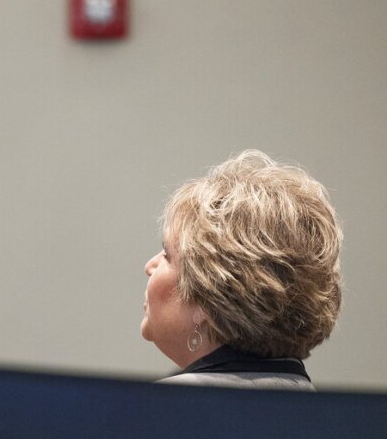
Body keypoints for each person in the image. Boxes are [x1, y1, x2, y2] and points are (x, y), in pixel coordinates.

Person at [141, 150, 342, 389]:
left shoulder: (142, 417)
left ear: (209, 295)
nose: (149, 266)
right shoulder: (344, 421)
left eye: (166, 255)